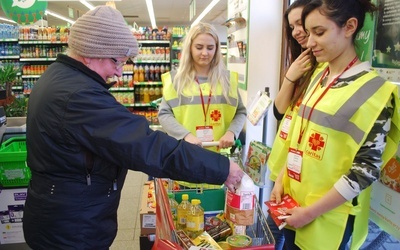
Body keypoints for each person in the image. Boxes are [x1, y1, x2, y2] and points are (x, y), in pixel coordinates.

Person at [22, 6, 244, 249]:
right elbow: (146, 146)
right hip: (71, 228)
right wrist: (221, 168)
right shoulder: (78, 96)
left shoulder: (58, 76)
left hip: (62, 214)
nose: (119, 72)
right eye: (117, 60)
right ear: (91, 52)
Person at [270, 0, 400, 249]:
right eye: (308, 34)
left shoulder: (376, 92)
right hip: (292, 202)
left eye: (319, 33)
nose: (309, 43)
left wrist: (309, 212)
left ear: (350, 26)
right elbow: (300, 136)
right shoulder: (318, 76)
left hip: (326, 216)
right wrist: (281, 181)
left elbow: (365, 171)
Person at [158, 22, 247, 187]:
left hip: (221, 161)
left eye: (210, 47)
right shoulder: (175, 80)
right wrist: (185, 135)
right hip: (187, 157)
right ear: (190, 48)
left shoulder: (228, 79)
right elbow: (164, 114)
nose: (205, 53)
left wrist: (231, 133)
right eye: (199, 47)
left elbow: (241, 112)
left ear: (217, 49)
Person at [266, 1, 324, 249]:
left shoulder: (326, 67)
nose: (298, 31)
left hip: (301, 172)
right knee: (278, 231)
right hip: (283, 165)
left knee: (283, 233)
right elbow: (279, 111)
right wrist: (290, 75)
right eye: (292, 27)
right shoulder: (302, 62)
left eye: (301, 23)